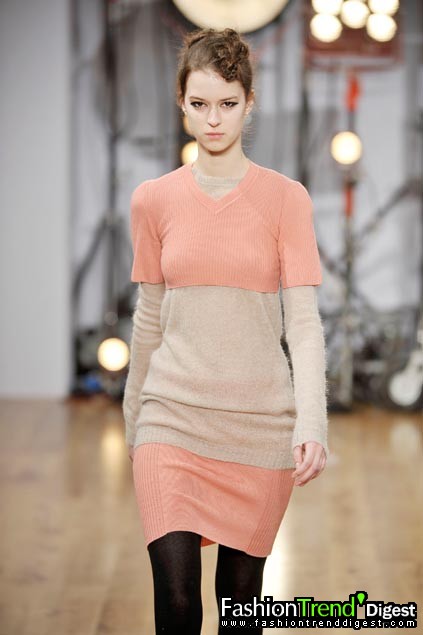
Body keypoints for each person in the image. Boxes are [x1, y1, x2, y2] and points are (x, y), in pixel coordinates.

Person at [123, 26, 329, 635]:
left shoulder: (286, 200)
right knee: (177, 604)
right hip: (171, 420)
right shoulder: (153, 201)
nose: (213, 120)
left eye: (228, 103)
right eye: (200, 103)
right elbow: (148, 319)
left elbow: (305, 324)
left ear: (249, 103)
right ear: (181, 103)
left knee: (242, 611)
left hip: (259, 427)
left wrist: (311, 423)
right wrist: (135, 424)